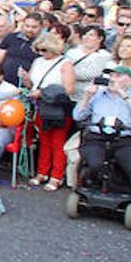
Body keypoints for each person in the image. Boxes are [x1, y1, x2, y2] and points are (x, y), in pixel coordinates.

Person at [73, 65, 131, 229]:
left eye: (118, 76)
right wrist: (87, 96)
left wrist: (123, 94)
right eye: (111, 76)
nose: (113, 79)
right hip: (98, 138)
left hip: (126, 139)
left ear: (129, 80)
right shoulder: (98, 94)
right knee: (95, 163)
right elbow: (78, 116)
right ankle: (102, 187)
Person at [25, 32, 75, 191]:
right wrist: (26, 80)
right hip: (40, 106)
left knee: (58, 143)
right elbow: (31, 83)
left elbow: (68, 89)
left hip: (58, 107)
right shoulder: (37, 61)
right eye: (39, 50)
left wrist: (43, 92)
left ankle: (56, 176)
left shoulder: (65, 63)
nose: (41, 53)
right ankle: (42, 172)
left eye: (44, 50)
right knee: (44, 141)